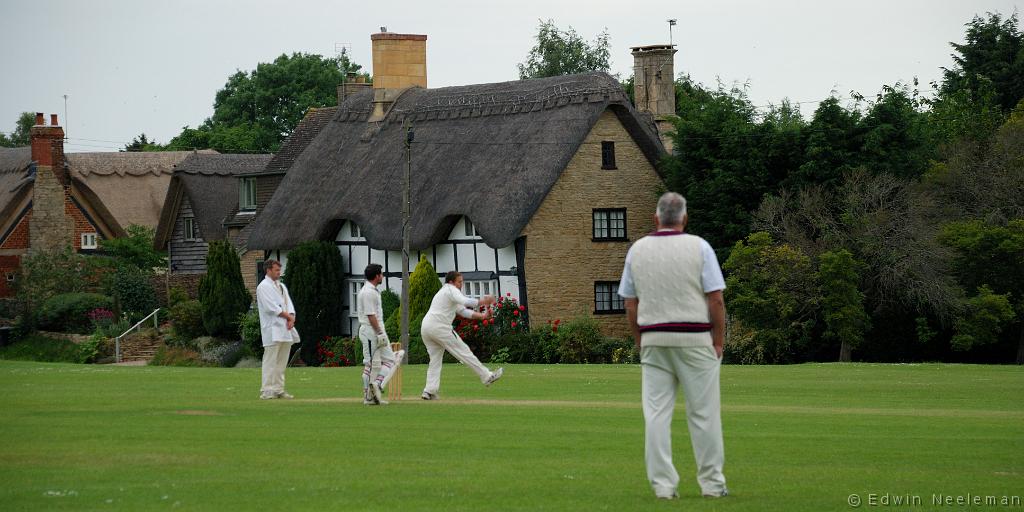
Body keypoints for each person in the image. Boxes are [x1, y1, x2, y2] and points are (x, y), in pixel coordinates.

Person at [618, 192, 729, 500]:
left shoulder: (637, 249)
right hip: (695, 339)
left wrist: (640, 340)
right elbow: (716, 298)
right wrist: (718, 340)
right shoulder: (700, 247)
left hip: (653, 337)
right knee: (704, 414)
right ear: (684, 218)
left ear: (656, 218)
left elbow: (630, 304)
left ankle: (664, 487)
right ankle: (712, 484)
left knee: (656, 414)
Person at [419, 271, 503, 400]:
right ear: (451, 282)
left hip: (427, 327)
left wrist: (483, 316)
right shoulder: (450, 289)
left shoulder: (445, 293)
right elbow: (466, 301)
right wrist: (484, 301)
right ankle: (486, 376)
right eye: (459, 282)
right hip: (439, 327)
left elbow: (463, 311)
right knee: (464, 351)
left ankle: (429, 391)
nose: (461, 285)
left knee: (435, 360)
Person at [358, 263, 405, 405]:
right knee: (370, 365)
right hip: (370, 331)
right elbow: (371, 315)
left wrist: (380, 332)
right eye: (381, 274)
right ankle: (367, 397)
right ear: (377, 276)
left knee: (390, 360)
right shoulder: (367, 292)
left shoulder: (372, 290)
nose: (383, 276)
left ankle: (377, 385)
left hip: (377, 331)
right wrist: (379, 333)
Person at [256, 259, 301, 400]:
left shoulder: (281, 286)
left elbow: (289, 304)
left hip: (285, 329)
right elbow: (271, 308)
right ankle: (267, 390)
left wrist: (291, 318)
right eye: (276, 270)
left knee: (281, 362)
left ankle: (278, 389)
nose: (278, 273)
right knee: (270, 361)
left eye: (279, 270)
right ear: (268, 270)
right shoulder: (263, 287)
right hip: (271, 329)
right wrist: (288, 317)